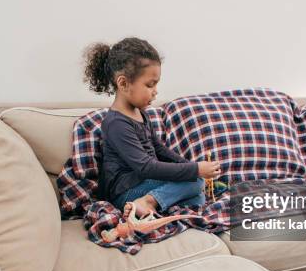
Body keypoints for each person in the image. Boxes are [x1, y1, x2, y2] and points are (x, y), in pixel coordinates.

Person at [82, 37, 221, 218]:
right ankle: (148, 202)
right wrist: (195, 170)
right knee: (195, 182)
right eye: (150, 84)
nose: (155, 91)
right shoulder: (116, 123)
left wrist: (190, 165)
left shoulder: (140, 113)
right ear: (123, 83)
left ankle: (150, 205)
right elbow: (145, 167)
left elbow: (159, 149)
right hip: (124, 192)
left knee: (198, 197)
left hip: (146, 184)